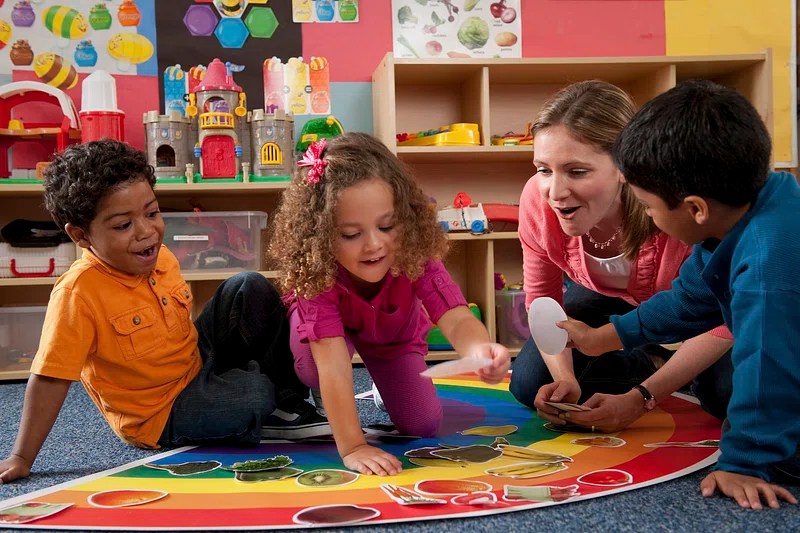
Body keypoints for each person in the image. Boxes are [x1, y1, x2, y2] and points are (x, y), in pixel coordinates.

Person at [0, 139, 326, 485]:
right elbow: (50, 378)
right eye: (123, 225)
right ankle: (260, 401)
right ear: (81, 235)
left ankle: (288, 404)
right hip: (160, 412)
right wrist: (21, 456)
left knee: (249, 284)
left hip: (194, 361)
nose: (146, 232)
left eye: (152, 213)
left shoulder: (159, 255)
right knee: (254, 394)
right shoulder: (77, 294)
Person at [559, 79, 799, 510]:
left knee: (769, 426)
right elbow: (689, 301)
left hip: (783, 356)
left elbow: (768, 367)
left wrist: (745, 462)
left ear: (695, 208)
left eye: (649, 207)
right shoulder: (741, 213)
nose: (647, 216)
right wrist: (605, 337)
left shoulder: (766, 263)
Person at [269, 132, 511, 476]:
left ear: (405, 218)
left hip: (392, 337)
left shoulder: (412, 251)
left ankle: (382, 386)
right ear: (320, 235)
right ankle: (318, 400)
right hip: (330, 341)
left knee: (422, 424)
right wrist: (353, 446)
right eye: (351, 234)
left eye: (386, 226)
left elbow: (456, 317)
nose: (374, 245)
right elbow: (335, 367)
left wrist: (480, 348)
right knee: (311, 366)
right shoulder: (318, 271)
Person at [510, 80, 733, 431]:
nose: (554, 191)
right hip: (604, 299)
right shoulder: (537, 200)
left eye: (577, 171)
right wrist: (565, 378)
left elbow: (723, 316)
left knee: (725, 394)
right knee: (529, 384)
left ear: (624, 166)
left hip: (697, 309)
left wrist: (642, 398)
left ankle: (668, 371)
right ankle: (653, 361)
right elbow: (542, 300)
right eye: (543, 169)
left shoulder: (677, 205)